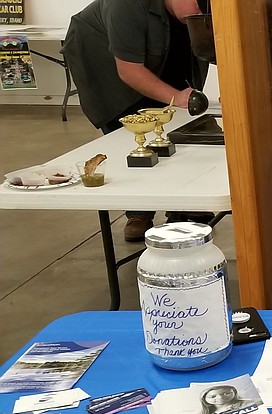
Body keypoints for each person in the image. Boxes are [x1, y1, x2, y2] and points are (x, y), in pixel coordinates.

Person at [62, 0, 213, 242]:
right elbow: (130, 70)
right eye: (201, 5)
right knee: (130, 131)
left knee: (176, 125)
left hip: (162, 49)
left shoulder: (194, 11)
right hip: (102, 57)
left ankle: (181, 206)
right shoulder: (126, 4)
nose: (205, 13)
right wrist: (177, 97)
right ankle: (139, 212)